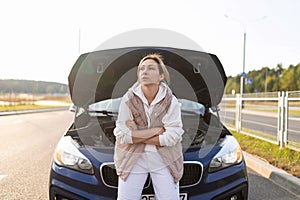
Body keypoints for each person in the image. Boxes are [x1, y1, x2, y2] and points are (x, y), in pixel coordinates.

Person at [113, 53, 184, 200]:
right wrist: (156, 131)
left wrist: (136, 133)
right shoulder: (128, 99)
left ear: (161, 76)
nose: (144, 71)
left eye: (151, 68)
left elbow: (173, 136)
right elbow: (121, 135)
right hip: (133, 158)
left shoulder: (171, 101)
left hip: (164, 157)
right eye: (141, 69)